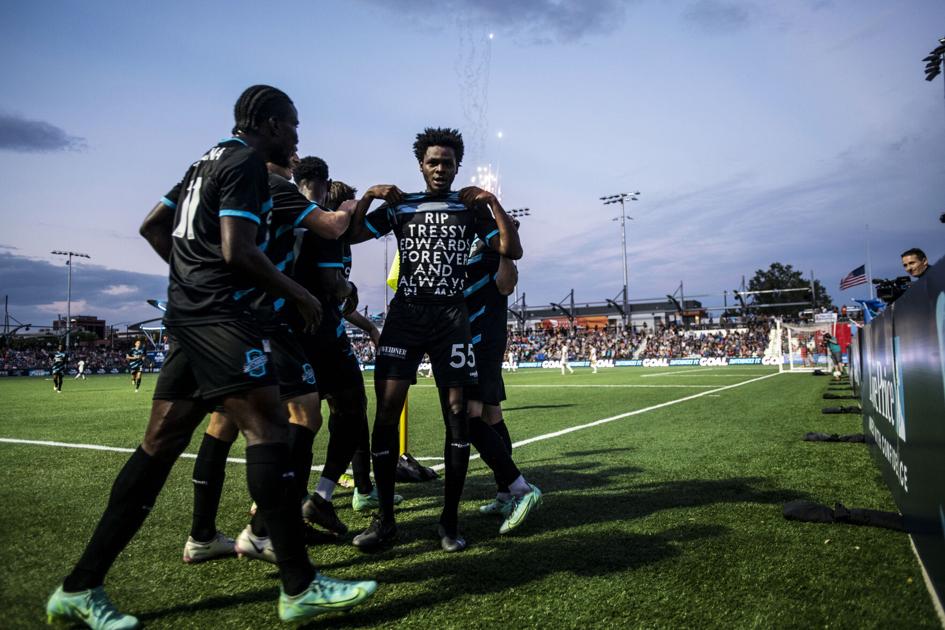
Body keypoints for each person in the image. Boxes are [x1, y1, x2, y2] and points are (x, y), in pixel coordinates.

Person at [46, 85, 376, 630]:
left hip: (189, 315)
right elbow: (237, 249)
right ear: (270, 123)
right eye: (292, 124)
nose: (296, 134)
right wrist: (296, 293)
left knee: (160, 443)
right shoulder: (246, 162)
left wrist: (188, 277)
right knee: (271, 427)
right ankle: (299, 584)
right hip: (225, 316)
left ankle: (79, 585)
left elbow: (153, 225)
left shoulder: (203, 161)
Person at [346, 127, 522, 552]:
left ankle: (449, 522)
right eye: (433, 162)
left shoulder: (469, 206)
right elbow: (351, 235)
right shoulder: (400, 205)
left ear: (457, 165)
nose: (440, 168)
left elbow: (510, 249)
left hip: (451, 319)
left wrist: (494, 203)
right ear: (421, 166)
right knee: (386, 412)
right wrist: (369, 197)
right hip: (405, 317)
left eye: (447, 162)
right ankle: (385, 521)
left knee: (459, 414)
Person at [183, 153, 358, 567]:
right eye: (289, 135)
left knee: (223, 421)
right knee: (306, 414)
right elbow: (331, 227)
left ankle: (202, 533)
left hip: (212, 313)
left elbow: (158, 227)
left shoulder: (212, 182)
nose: (294, 146)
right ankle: (267, 529)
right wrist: (351, 207)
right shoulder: (274, 188)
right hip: (261, 315)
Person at [290, 168, 403, 517]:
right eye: (352, 211)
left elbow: (337, 299)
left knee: (311, 417)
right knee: (342, 411)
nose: (357, 219)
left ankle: (290, 500)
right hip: (319, 336)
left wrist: (367, 325)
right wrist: (349, 290)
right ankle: (316, 497)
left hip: (308, 332)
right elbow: (334, 288)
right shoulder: (327, 234)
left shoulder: (325, 235)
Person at [463, 227, 541, 534]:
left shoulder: (493, 246)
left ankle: (519, 487)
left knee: (467, 419)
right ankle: (505, 494)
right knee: (491, 416)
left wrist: (507, 246)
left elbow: (507, 285)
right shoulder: (470, 243)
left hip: (482, 342)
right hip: (475, 340)